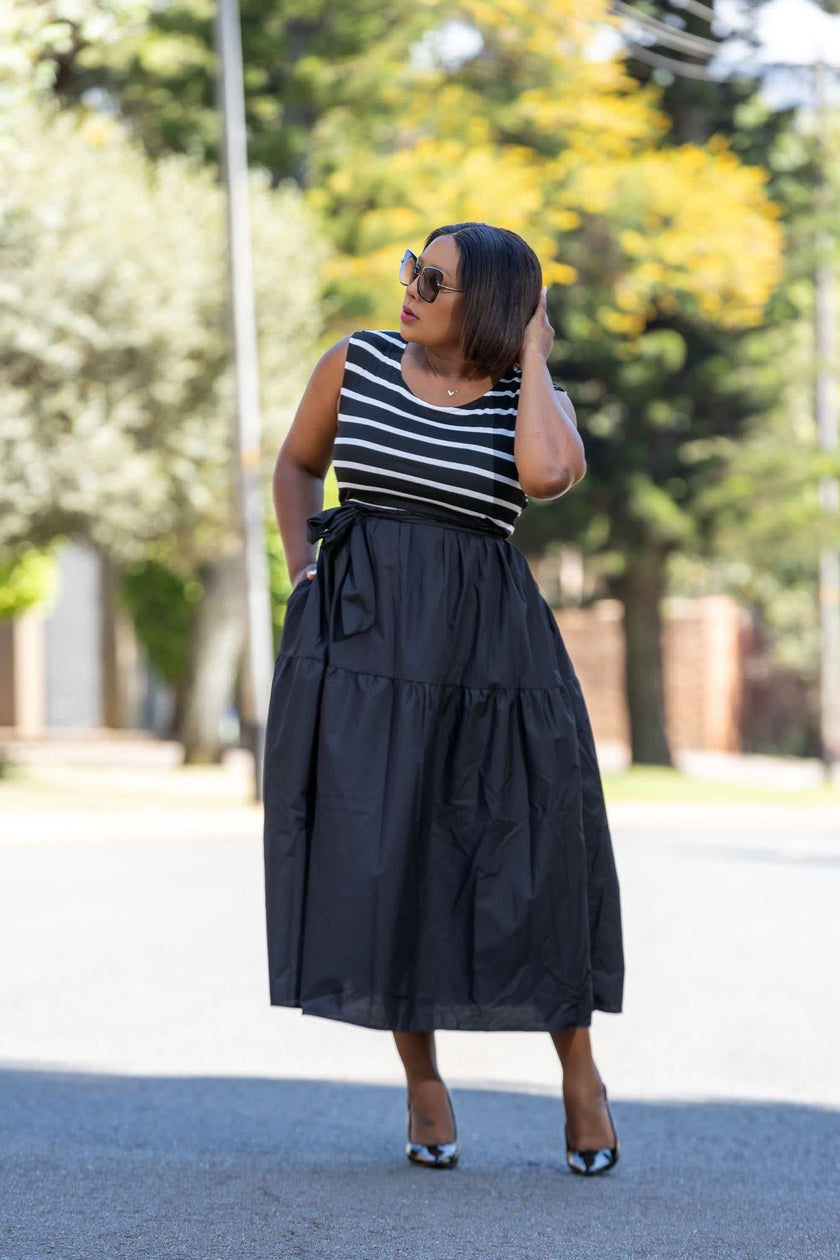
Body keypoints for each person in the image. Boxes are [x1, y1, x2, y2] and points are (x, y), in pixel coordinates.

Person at [263, 221, 624, 1175]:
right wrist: (304, 574)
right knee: (389, 859)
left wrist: (536, 352)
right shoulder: (356, 362)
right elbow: (297, 465)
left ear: (495, 305)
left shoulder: (529, 398)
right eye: (411, 269)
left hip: (493, 662)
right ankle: (423, 1083)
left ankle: (578, 1070)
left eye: (436, 280)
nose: (411, 287)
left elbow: (548, 476)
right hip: (367, 649)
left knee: (533, 859)